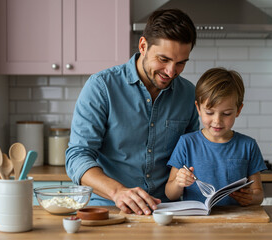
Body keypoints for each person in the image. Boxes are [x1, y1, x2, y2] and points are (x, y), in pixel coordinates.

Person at [65, 9, 199, 215]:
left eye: (180, 63)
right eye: (163, 59)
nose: (171, 72)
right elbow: (77, 157)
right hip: (107, 208)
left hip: (165, 211)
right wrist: (118, 192)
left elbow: (191, 153)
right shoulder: (102, 87)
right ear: (143, 46)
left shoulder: (188, 94)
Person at [165, 68, 266, 206]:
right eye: (209, 112)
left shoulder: (248, 145)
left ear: (239, 110)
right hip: (196, 223)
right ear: (198, 108)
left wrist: (251, 198)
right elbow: (170, 194)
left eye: (226, 113)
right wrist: (178, 182)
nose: (217, 121)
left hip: (236, 221)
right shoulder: (186, 143)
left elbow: (258, 194)